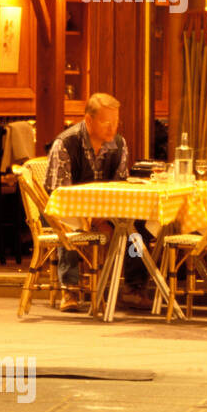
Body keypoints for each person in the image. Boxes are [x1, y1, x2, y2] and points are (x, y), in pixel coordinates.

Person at [44, 92, 135, 312]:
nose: (112, 128)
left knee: (134, 231)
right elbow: (60, 195)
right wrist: (90, 217)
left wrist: (103, 216)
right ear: (88, 120)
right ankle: (70, 288)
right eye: (106, 122)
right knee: (69, 225)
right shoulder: (65, 143)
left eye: (116, 122)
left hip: (104, 212)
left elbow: (120, 185)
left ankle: (130, 288)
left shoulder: (119, 145)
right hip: (65, 211)